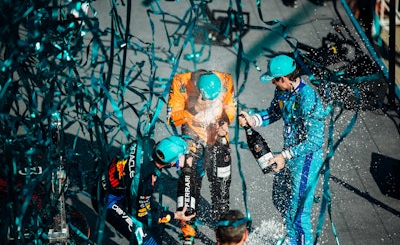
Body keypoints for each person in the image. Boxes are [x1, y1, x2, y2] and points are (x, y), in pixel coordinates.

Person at [239, 55, 326, 245]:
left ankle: (300, 240)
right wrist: (252, 119)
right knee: (281, 199)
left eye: (274, 79)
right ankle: (291, 238)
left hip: (306, 159)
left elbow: (315, 141)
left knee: (299, 213)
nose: (272, 82)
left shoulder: (307, 98)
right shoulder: (282, 92)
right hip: (289, 156)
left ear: (285, 78)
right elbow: (273, 113)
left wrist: (285, 156)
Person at [167, 70, 236, 244]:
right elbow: (171, 118)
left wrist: (225, 122)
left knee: (221, 186)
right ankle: (188, 230)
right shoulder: (181, 82)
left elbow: (230, 106)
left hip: (217, 137)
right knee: (189, 183)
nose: (211, 103)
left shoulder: (226, 80)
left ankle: (222, 234)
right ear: (197, 89)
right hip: (192, 137)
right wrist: (194, 108)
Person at [94, 136, 195, 245]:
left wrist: (175, 157)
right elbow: (144, 216)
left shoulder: (145, 142)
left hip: (109, 185)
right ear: (171, 163)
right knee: (150, 242)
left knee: (157, 228)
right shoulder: (146, 182)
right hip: (107, 202)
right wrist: (175, 215)